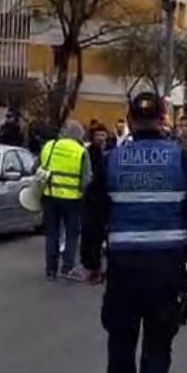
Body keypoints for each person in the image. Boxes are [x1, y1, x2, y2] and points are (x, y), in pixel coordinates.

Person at [96, 92, 187, 373]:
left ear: (130, 121)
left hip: (123, 269)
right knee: (157, 349)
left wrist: (90, 260)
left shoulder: (111, 160)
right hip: (167, 269)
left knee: (120, 345)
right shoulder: (183, 159)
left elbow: (93, 212)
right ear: (163, 119)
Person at [39, 119, 91, 282]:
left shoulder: (49, 146)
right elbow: (86, 179)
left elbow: (37, 167)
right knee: (71, 235)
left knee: (52, 234)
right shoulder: (81, 151)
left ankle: (50, 270)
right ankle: (67, 268)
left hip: (50, 196)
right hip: (72, 199)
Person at [80, 121, 110, 283]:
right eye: (97, 135)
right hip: (93, 199)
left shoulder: (111, 152)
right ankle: (93, 267)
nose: (100, 138)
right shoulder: (89, 152)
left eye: (102, 134)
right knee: (92, 234)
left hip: (108, 198)